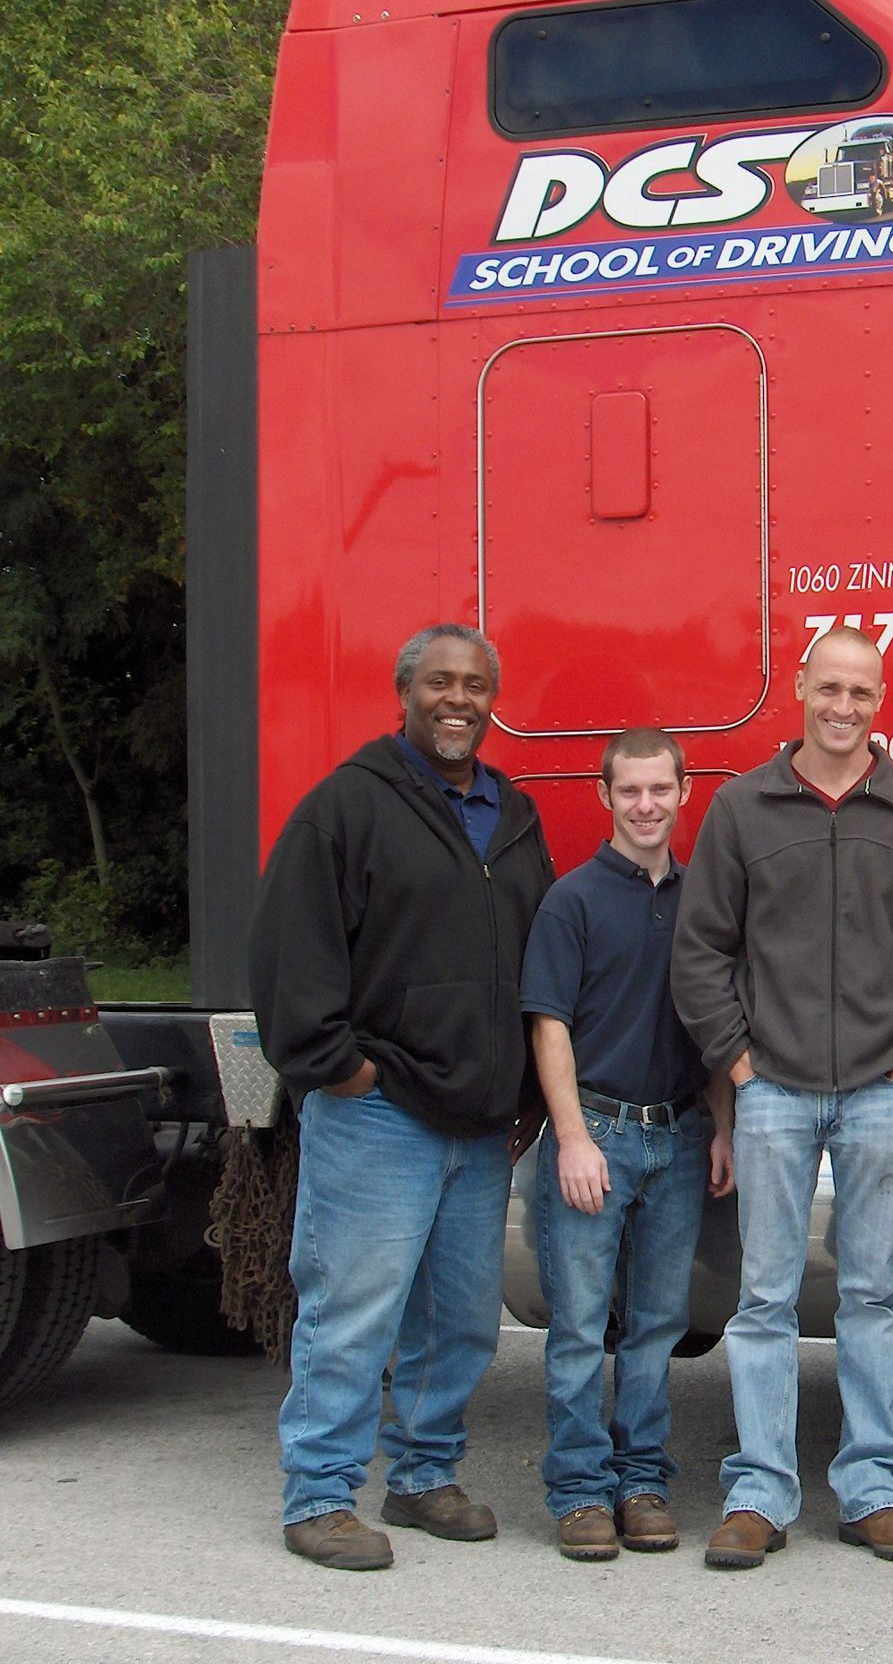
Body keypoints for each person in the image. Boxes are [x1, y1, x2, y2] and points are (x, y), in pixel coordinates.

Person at [671, 625, 893, 1570]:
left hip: (884, 1092)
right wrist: (737, 1064)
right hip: (771, 1089)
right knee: (764, 1298)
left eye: (862, 693)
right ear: (799, 688)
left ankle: (874, 1485)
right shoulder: (741, 809)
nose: (844, 707)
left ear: (880, 702)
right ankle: (759, 1491)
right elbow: (700, 953)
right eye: (829, 688)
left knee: (872, 1293)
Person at [251, 624, 554, 1571]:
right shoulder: (347, 805)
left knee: (459, 1319)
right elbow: (292, 954)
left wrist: (527, 1095)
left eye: (474, 684)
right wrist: (341, 1069)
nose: (457, 699)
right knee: (352, 1310)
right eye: (438, 682)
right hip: (379, 1112)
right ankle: (320, 1494)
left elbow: (536, 952)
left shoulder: (512, 815)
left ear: (491, 699)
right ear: (406, 692)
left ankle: (424, 1477)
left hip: (480, 1119)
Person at [521, 728, 737, 1562]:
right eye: (630, 791)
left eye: (661, 790)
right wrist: (571, 1139)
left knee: (658, 1325)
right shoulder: (571, 901)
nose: (646, 806)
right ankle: (579, 1491)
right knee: (579, 1325)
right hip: (597, 1135)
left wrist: (720, 1126)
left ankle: (641, 1482)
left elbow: (711, 1027)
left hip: (679, 1136)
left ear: (684, 794)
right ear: (604, 798)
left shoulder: (701, 901)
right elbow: (551, 1027)